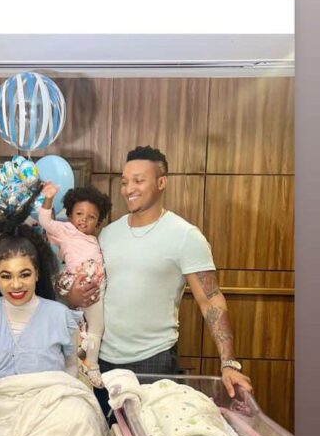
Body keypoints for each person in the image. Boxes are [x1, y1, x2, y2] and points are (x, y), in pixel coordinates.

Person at [66, 145, 253, 408]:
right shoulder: (107, 234)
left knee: (149, 432)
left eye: (138, 180)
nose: (128, 189)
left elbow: (211, 300)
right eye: (124, 182)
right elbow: (89, 288)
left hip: (154, 359)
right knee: (103, 431)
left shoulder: (185, 236)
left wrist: (229, 363)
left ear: (161, 182)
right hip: (102, 360)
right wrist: (73, 296)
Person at [0, 196, 82, 383]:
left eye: (24, 274)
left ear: (37, 274)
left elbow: (71, 367)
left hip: (48, 400)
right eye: (6, 276)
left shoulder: (61, 317)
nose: (16, 285)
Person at [38, 182, 111, 388]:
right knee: (70, 329)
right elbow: (44, 221)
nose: (84, 220)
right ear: (70, 215)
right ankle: (78, 367)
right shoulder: (66, 230)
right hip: (74, 282)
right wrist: (49, 197)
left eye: (91, 217)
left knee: (95, 328)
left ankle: (89, 365)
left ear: (98, 223)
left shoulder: (96, 240)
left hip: (95, 288)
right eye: (79, 214)